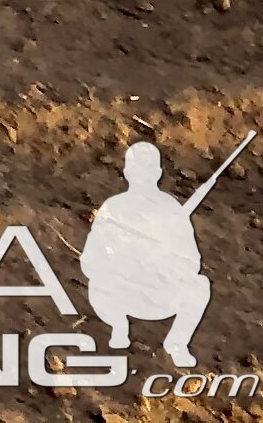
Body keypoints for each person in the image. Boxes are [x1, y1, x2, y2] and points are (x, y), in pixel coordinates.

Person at [85, 142, 214, 366]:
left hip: (159, 294)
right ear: (127, 173)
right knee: (97, 284)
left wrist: (164, 260)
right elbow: (89, 259)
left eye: (147, 170)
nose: (142, 177)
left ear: (157, 173)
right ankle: (118, 326)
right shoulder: (112, 209)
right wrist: (118, 265)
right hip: (120, 293)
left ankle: (177, 344)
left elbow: (192, 262)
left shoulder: (172, 210)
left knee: (200, 285)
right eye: (137, 170)